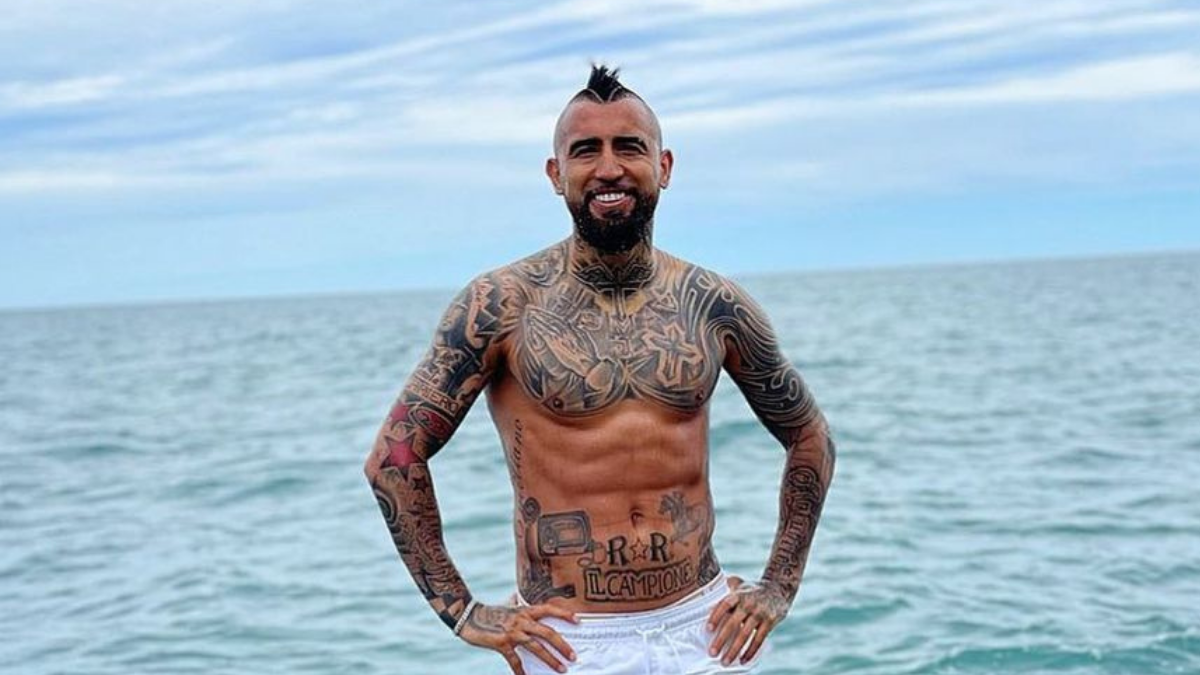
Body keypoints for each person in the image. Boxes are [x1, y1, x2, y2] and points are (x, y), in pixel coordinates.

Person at [364, 65, 835, 675]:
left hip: (707, 631)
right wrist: (462, 611)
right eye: (586, 150)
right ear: (555, 174)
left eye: (629, 147)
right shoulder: (502, 305)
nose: (609, 167)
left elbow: (809, 435)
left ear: (664, 166)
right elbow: (395, 458)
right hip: (571, 642)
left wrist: (778, 587)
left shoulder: (713, 304)